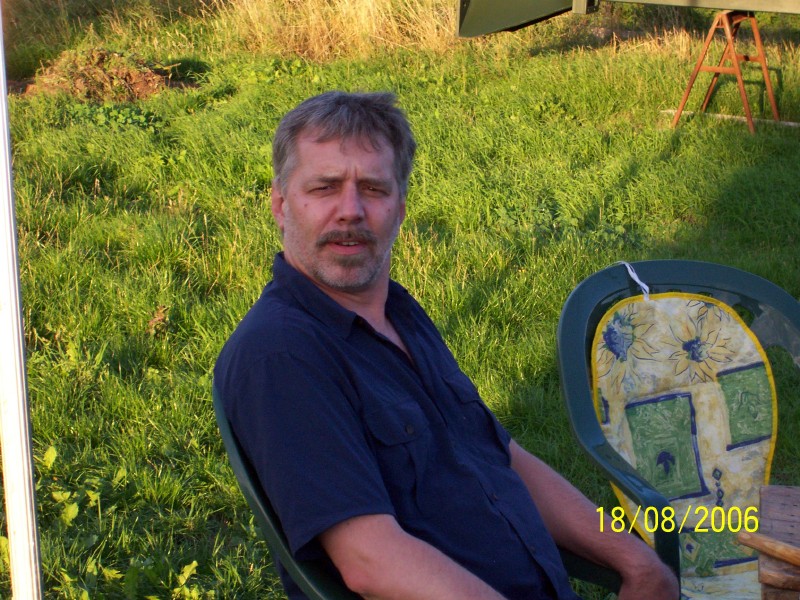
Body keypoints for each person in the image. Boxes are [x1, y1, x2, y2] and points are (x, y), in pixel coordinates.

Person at [213, 90, 679, 600]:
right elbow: (369, 559)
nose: (351, 211)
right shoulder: (281, 354)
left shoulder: (397, 313)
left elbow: (501, 455)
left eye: (373, 189)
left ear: (400, 208)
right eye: (324, 188)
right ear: (281, 205)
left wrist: (637, 560)